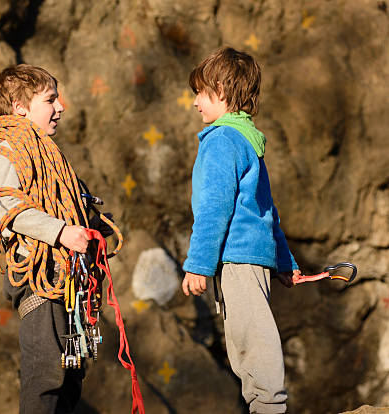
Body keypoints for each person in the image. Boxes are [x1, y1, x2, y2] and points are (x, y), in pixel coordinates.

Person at [0, 64, 111, 414]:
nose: (61, 107)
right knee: (46, 378)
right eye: (51, 99)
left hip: (66, 279)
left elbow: (59, 201)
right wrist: (62, 232)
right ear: (20, 107)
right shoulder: (8, 148)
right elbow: (4, 207)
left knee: (69, 381)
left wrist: (91, 222)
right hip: (41, 283)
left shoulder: (47, 152)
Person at [180, 47, 301, 414]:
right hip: (253, 259)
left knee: (252, 345)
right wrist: (284, 261)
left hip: (237, 260)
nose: (196, 103)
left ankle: (269, 409)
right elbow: (266, 210)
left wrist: (198, 264)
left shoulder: (221, 141)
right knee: (245, 344)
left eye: (200, 93)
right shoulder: (248, 140)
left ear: (221, 89)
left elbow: (214, 209)